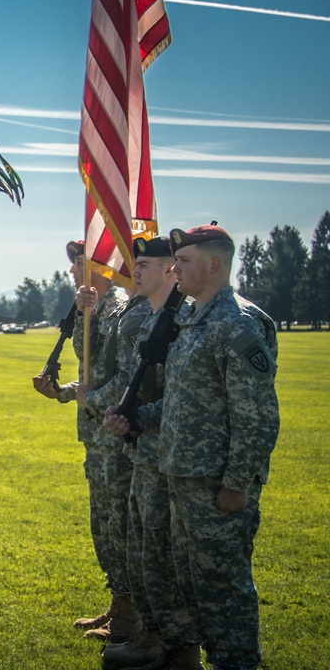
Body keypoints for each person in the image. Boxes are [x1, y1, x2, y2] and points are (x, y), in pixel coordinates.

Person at [104, 224, 279, 670]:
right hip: (182, 476)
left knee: (223, 588)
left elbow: (257, 416)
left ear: (214, 265)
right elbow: (183, 400)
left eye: (183, 262)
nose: (175, 269)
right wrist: (136, 419)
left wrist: (237, 484)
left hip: (214, 483)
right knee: (193, 583)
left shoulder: (235, 325)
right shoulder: (193, 319)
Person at [92, 237, 199, 669]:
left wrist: (100, 402)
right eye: (135, 264)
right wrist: (129, 418)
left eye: (147, 264)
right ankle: (154, 638)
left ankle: (178, 649)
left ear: (171, 270)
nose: (135, 271)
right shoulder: (157, 322)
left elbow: (187, 401)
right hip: (146, 453)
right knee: (143, 556)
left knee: (166, 559)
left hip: (176, 461)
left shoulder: (185, 323)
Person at [33, 240, 138, 642]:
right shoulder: (94, 308)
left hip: (114, 435)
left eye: (80, 264)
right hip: (96, 436)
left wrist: (87, 311)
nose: (74, 272)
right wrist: (60, 392)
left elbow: (115, 377)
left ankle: (131, 617)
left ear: (102, 268)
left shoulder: (122, 310)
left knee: (119, 527)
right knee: (104, 526)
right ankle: (120, 603)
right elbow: (89, 368)